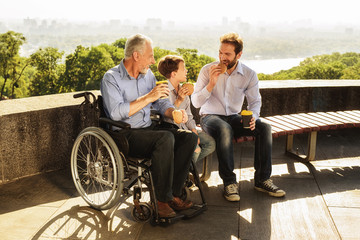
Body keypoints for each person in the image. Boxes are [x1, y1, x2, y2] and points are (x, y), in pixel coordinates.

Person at [101, 34, 198, 217]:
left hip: (148, 128)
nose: (153, 61)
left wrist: (172, 112)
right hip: (125, 134)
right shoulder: (111, 78)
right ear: (136, 56)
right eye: (150, 56)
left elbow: (160, 103)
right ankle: (161, 202)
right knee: (165, 138)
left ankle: (173, 194)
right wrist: (148, 97)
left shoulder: (148, 76)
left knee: (189, 137)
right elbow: (115, 112)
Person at [192, 32, 286, 202]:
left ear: (239, 54)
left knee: (264, 127)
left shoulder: (249, 74)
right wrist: (211, 83)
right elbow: (196, 102)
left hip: (234, 117)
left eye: (227, 54)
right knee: (224, 128)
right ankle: (229, 183)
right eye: (220, 53)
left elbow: (255, 102)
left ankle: (263, 179)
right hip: (210, 118)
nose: (222, 57)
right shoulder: (207, 70)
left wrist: (253, 117)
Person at [157, 55, 216, 164]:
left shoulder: (184, 89)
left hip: (187, 129)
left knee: (210, 143)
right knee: (196, 150)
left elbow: (189, 116)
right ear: (174, 74)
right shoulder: (163, 91)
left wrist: (194, 132)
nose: (186, 70)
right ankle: (182, 175)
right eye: (183, 68)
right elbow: (168, 120)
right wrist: (178, 101)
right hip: (172, 131)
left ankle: (183, 168)